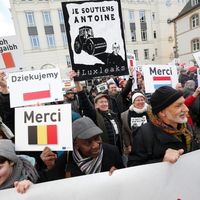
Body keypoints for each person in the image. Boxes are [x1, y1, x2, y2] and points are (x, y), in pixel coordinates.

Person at [128, 86, 197, 167]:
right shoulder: (144, 134)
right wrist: (162, 161)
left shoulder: (187, 128)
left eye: (184, 103)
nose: (186, 109)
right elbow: (133, 167)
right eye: (178, 106)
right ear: (162, 112)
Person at [39, 117, 124, 181]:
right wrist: (51, 167)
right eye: (88, 142)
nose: (95, 146)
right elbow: (52, 185)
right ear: (76, 144)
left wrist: (120, 174)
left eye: (97, 138)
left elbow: (125, 176)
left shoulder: (112, 151)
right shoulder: (66, 160)